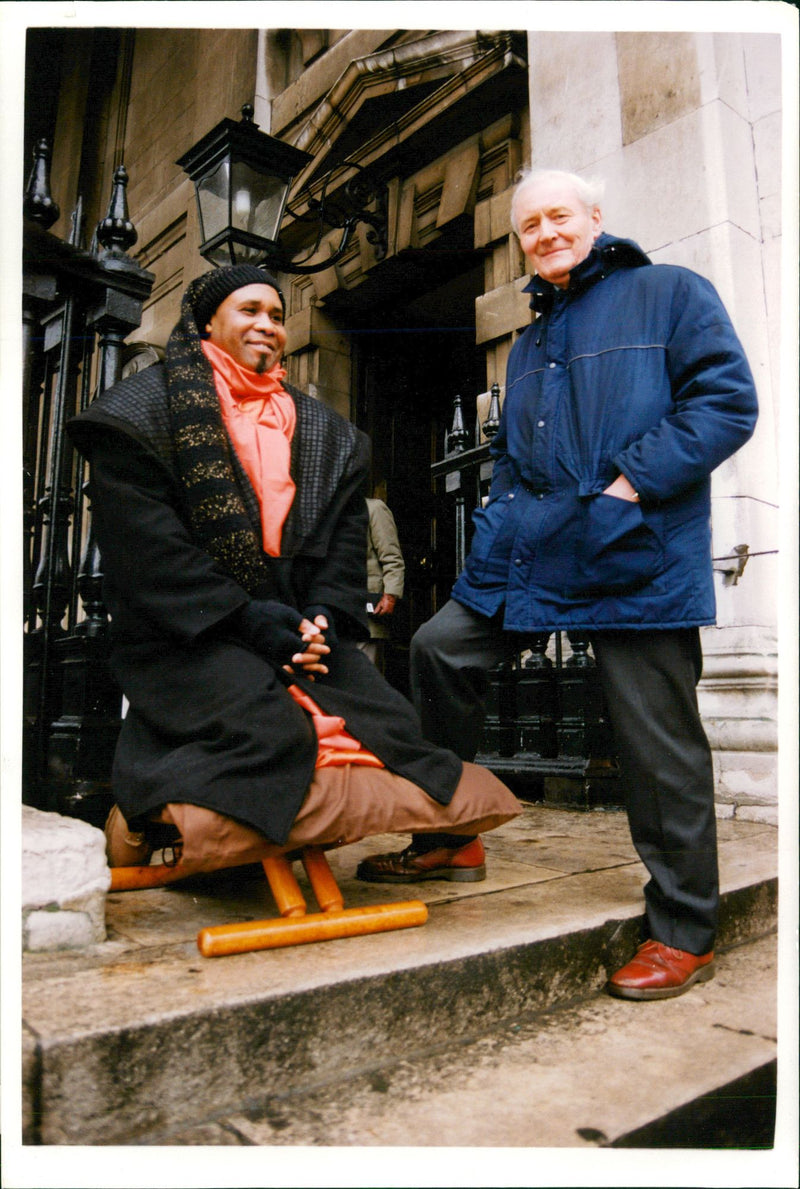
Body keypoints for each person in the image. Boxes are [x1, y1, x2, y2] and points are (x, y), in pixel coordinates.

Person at [357, 170, 758, 1000]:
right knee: (439, 650)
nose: (544, 232)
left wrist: (629, 486)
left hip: (632, 543)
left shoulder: (669, 291)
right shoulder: (533, 339)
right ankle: (453, 832)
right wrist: (501, 516)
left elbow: (726, 401)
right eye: (529, 224)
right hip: (536, 545)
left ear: (594, 219)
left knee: (655, 740)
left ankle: (683, 929)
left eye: (558, 216)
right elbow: (511, 454)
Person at [67, 265, 520, 876]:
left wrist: (323, 620)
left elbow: (340, 546)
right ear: (207, 322)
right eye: (249, 310)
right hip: (192, 630)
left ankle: (369, 834)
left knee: (394, 729)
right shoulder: (141, 411)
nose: (268, 325)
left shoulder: (327, 433)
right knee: (273, 734)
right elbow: (149, 548)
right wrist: (248, 621)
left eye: (277, 316)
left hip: (297, 631)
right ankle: (145, 818)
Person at [359, 494, 405, 668]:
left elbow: (392, 558)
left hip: (368, 607)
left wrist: (391, 595)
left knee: (363, 674)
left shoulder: (374, 508)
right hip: (338, 606)